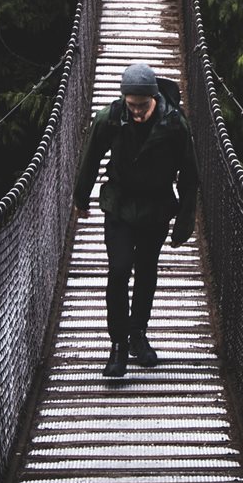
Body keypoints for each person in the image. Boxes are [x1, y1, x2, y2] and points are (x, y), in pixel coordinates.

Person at [73, 60, 199, 378]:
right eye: (132, 106)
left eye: (143, 106)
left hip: (156, 208)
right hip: (119, 205)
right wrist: (81, 197)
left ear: (154, 98)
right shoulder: (111, 118)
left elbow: (189, 174)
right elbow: (90, 157)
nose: (138, 112)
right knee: (118, 271)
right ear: (124, 100)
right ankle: (117, 345)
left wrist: (185, 221)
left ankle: (137, 335)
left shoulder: (174, 123)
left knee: (146, 272)